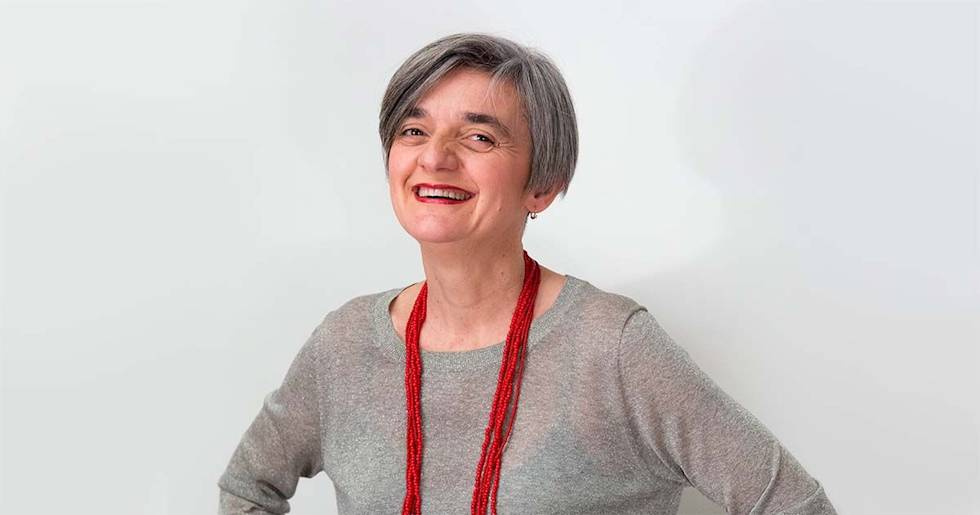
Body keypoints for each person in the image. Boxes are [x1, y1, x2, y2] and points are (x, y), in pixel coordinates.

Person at [217, 33, 837, 515]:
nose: (435, 157)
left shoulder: (613, 347)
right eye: (413, 130)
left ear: (543, 183)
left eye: (479, 137)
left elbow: (792, 505)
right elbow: (248, 486)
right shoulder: (344, 344)